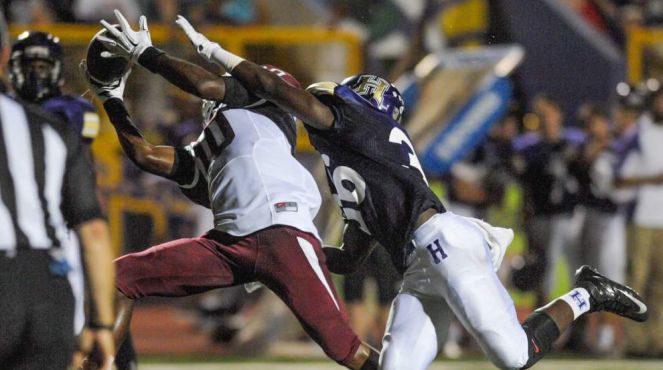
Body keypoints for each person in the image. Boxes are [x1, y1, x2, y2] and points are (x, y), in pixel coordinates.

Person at [166, 13, 650, 370]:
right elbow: (351, 257)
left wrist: (219, 54)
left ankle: (588, 291)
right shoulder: (355, 162)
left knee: (514, 357)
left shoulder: (357, 122)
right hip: (418, 265)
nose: (321, 106)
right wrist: (286, 255)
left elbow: (279, 91)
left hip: (444, 242)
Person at [83, 10, 379, 370]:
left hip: (282, 236)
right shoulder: (212, 145)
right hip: (227, 247)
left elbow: (206, 86)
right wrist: (111, 97)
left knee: (348, 351)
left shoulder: (262, 103)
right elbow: (145, 155)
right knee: (121, 278)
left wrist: (147, 54)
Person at [0, 10, 115, 370]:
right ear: (6, 58)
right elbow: (95, 230)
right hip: (50, 277)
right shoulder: (50, 129)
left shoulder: (69, 113)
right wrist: (102, 322)